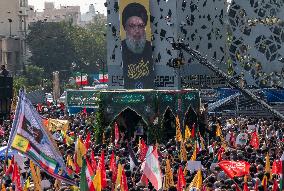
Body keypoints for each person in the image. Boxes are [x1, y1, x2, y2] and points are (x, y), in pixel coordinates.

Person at [121, 3, 154, 89]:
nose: (137, 30)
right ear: (125, 27)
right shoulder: (119, 49)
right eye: (132, 26)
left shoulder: (152, 49)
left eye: (140, 26)